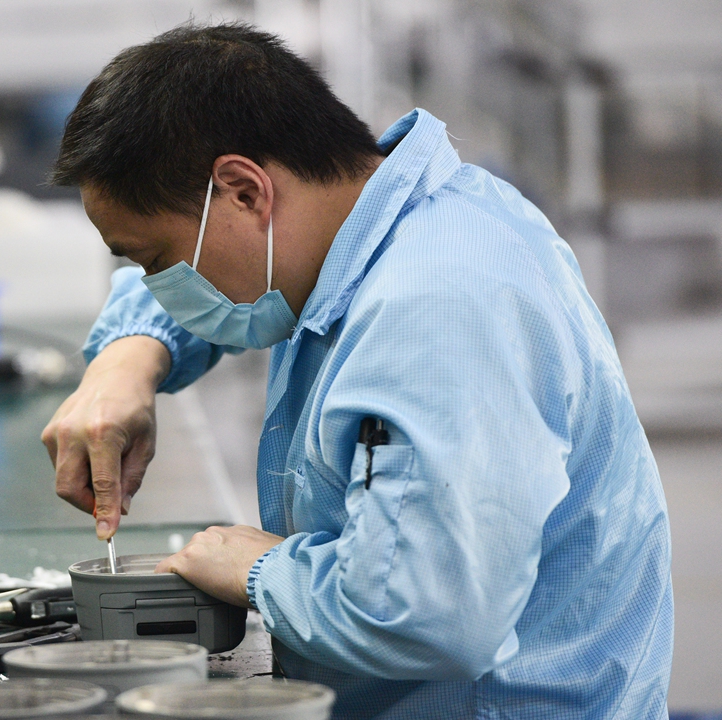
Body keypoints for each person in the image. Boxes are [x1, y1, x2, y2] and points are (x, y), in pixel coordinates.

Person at [39, 23, 672, 720]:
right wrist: (129, 358)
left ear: (245, 191)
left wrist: (258, 570)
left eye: (155, 263)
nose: (159, 288)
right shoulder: (390, 219)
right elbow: (207, 271)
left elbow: (426, 613)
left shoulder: (433, 313)